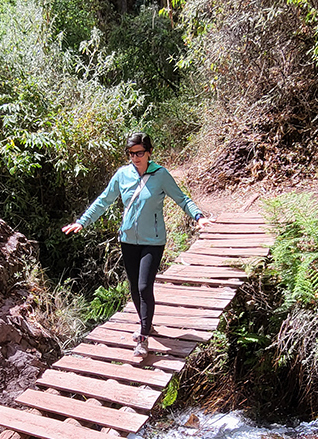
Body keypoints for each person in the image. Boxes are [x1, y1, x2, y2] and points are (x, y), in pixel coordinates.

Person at [62, 132, 209, 358]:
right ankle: (146, 322)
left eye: (140, 153)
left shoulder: (160, 175)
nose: (135, 157)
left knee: (143, 287)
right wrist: (83, 221)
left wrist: (198, 217)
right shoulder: (123, 175)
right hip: (128, 240)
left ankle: (142, 337)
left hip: (153, 241)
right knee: (133, 286)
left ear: (149, 152)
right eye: (131, 154)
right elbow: (104, 201)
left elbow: (182, 198)